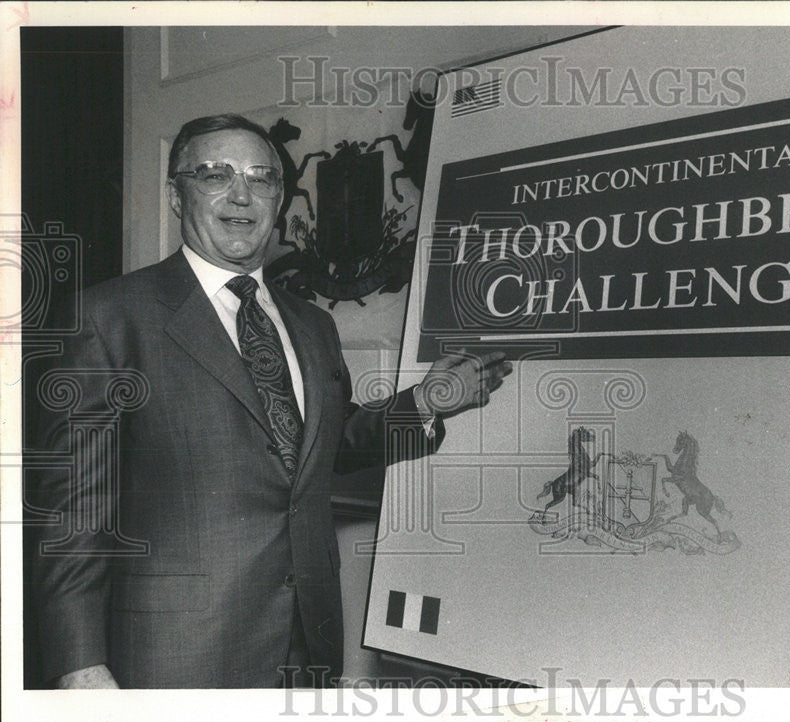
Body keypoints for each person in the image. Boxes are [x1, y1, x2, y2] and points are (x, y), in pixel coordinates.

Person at [29, 114, 510, 689]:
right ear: (176, 196)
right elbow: (71, 516)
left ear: (279, 200)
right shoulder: (107, 318)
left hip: (308, 645)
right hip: (174, 658)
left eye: (262, 179)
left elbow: (325, 449)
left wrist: (427, 402)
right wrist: (77, 662)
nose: (241, 194)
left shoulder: (312, 326)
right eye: (215, 174)